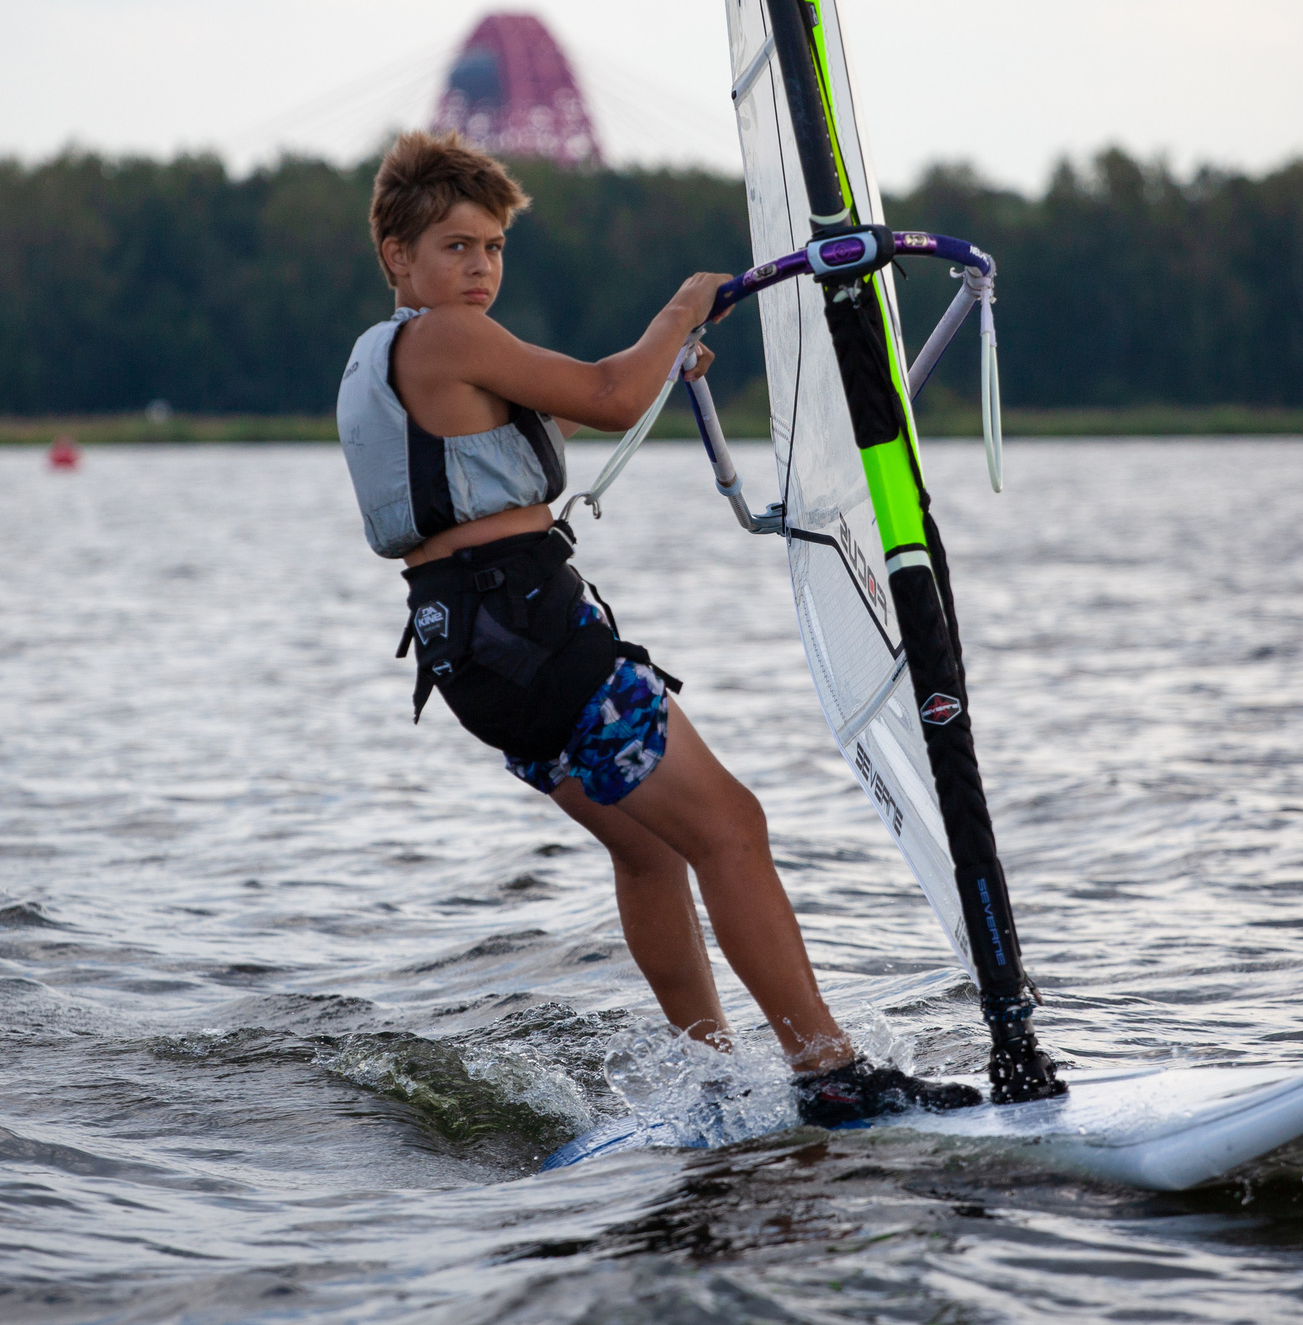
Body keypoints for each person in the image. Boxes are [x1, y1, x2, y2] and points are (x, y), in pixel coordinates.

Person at [336, 131, 978, 1126]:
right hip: (533, 631)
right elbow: (608, 392)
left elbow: (587, 399)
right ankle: (828, 1069)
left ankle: (716, 1076)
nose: (479, 268)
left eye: (493, 248)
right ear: (397, 258)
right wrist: (683, 306)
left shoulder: (386, 359)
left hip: (473, 658)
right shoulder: (443, 338)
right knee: (730, 826)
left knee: (649, 852)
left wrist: (662, 353)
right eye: (456, 246)